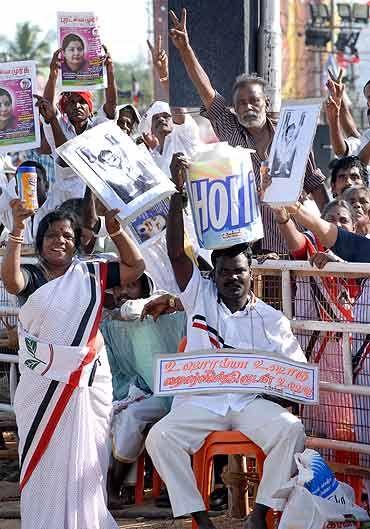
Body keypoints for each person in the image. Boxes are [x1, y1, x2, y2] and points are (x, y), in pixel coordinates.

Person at [145, 153, 307, 529]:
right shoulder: (198, 296)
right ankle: (200, 518)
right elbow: (175, 253)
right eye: (224, 273)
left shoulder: (272, 319)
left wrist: (275, 386)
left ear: (251, 274)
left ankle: (260, 514)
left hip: (250, 404)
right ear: (213, 276)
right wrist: (178, 194)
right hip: (201, 404)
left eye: (239, 272)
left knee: (292, 430)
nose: (232, 279)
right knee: (159, 437)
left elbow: (296, 375)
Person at [1, 199, 145, 529]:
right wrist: (18, 229)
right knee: (44, 459)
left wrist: (116, 230)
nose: (60, 240)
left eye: (67, 235)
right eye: (52, 235)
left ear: (76, 244)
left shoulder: (90, 274)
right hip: (41, 389)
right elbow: (10, 282)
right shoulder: (34, 277)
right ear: (39, 244)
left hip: (86, 386)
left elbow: (135, 268)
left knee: (86, 458)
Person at [168, 8, 328, 256]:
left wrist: (334, 235)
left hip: (296, 251)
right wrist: (185, 49)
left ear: (265, 102)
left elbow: (315, 186)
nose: (247, 107)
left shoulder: (291, 138)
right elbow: (206, 90)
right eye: (241, 103)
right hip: (252, 254)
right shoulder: (230, 130)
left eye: (253, 100)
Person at [273, 200, 358, 441]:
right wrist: (282, 218)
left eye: (343, 220)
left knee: (352, 438)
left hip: (351, 364)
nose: (336, 224)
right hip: (315, 362)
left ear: (354, 228)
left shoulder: (362, 263)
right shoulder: (311, 252)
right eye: (330, 219)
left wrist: (341, 266)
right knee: (316, 439)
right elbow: (296, 243)